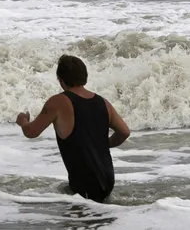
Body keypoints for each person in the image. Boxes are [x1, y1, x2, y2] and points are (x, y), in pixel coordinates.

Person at [16, 55, 130, 202]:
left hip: (85, 182)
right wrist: (101, 145)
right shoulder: (103, 102)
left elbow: (31, 132)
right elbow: (124, 132)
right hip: (107, 179)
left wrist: (23, 121)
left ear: (60, 79)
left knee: (79, 222)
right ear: (85, 76)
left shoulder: (59, 101)